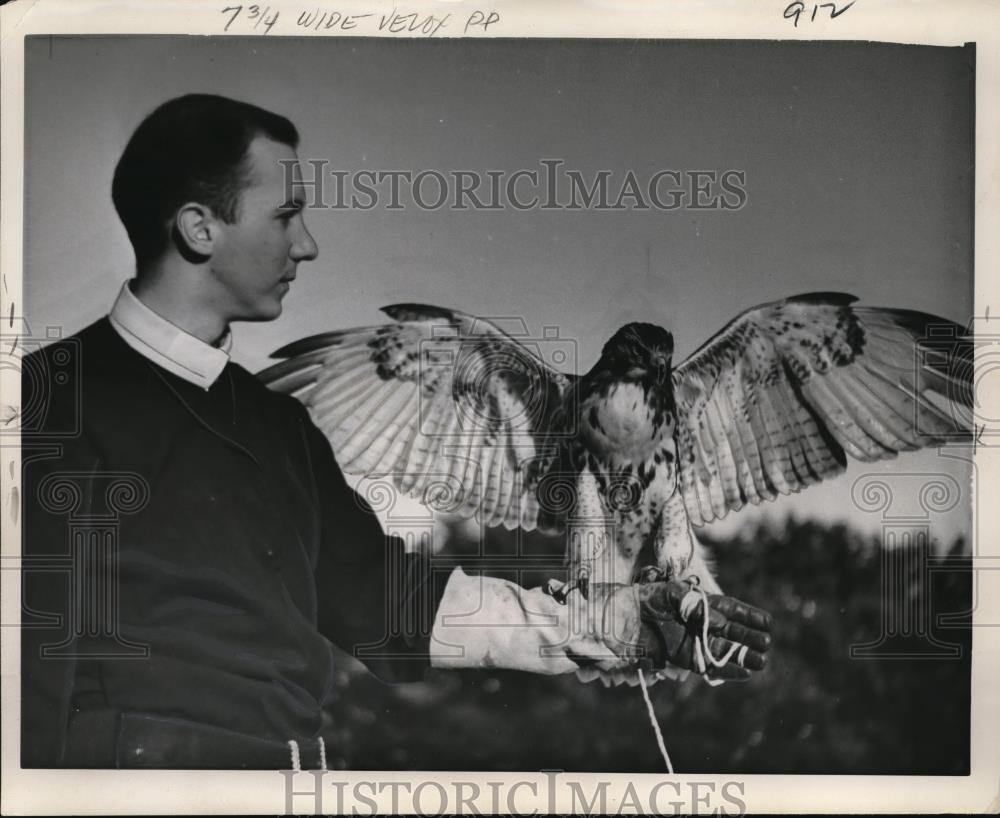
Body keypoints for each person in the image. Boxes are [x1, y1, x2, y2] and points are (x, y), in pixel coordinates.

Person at [20, 94, 772, 769]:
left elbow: (389, 606)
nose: (308, 244)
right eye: (285, 215)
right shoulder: (43, 401)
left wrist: (616, 627)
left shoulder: (280, 428)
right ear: (198, 228)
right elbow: (21, 659)